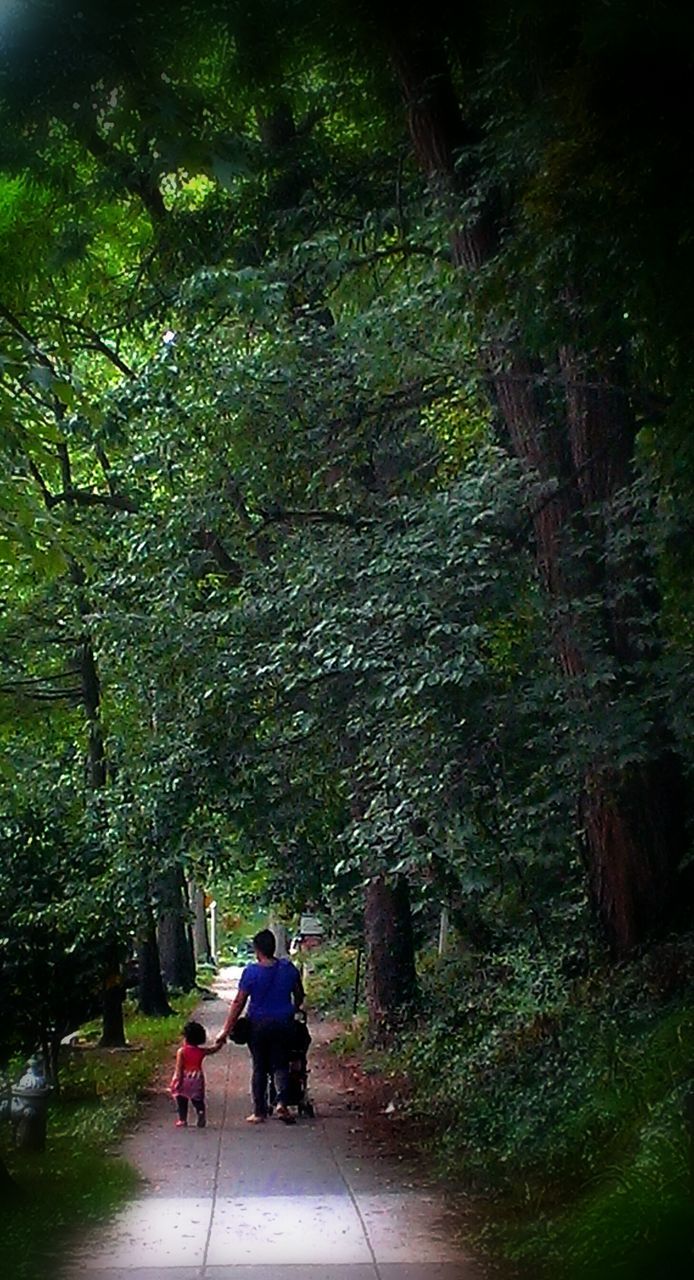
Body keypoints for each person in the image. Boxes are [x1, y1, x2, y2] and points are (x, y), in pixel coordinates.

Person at [216, 928, 304, 1124]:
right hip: (283, 1024)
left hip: (258, 1026)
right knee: (281, 1063)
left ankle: (259, 1111)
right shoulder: (289, 969)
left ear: (257, 950)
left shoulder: (251, 972)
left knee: (260, 1067)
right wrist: (292, 1009)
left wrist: (226, 1029)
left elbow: (239, 1002)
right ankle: (282, 1102)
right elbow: (299, 995)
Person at [170, 1020, 221, 1128]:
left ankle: (182, 1119)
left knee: (181, 1098)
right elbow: (213, 1049)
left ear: (186, 1037)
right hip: (197, 1077)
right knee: (198, 1099)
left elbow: (179, 1069)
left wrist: (176, 1081)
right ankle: (200, 1113)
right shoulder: (201, 1051)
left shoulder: (182, 1051)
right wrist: (220, 1042)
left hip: (185, 1078)